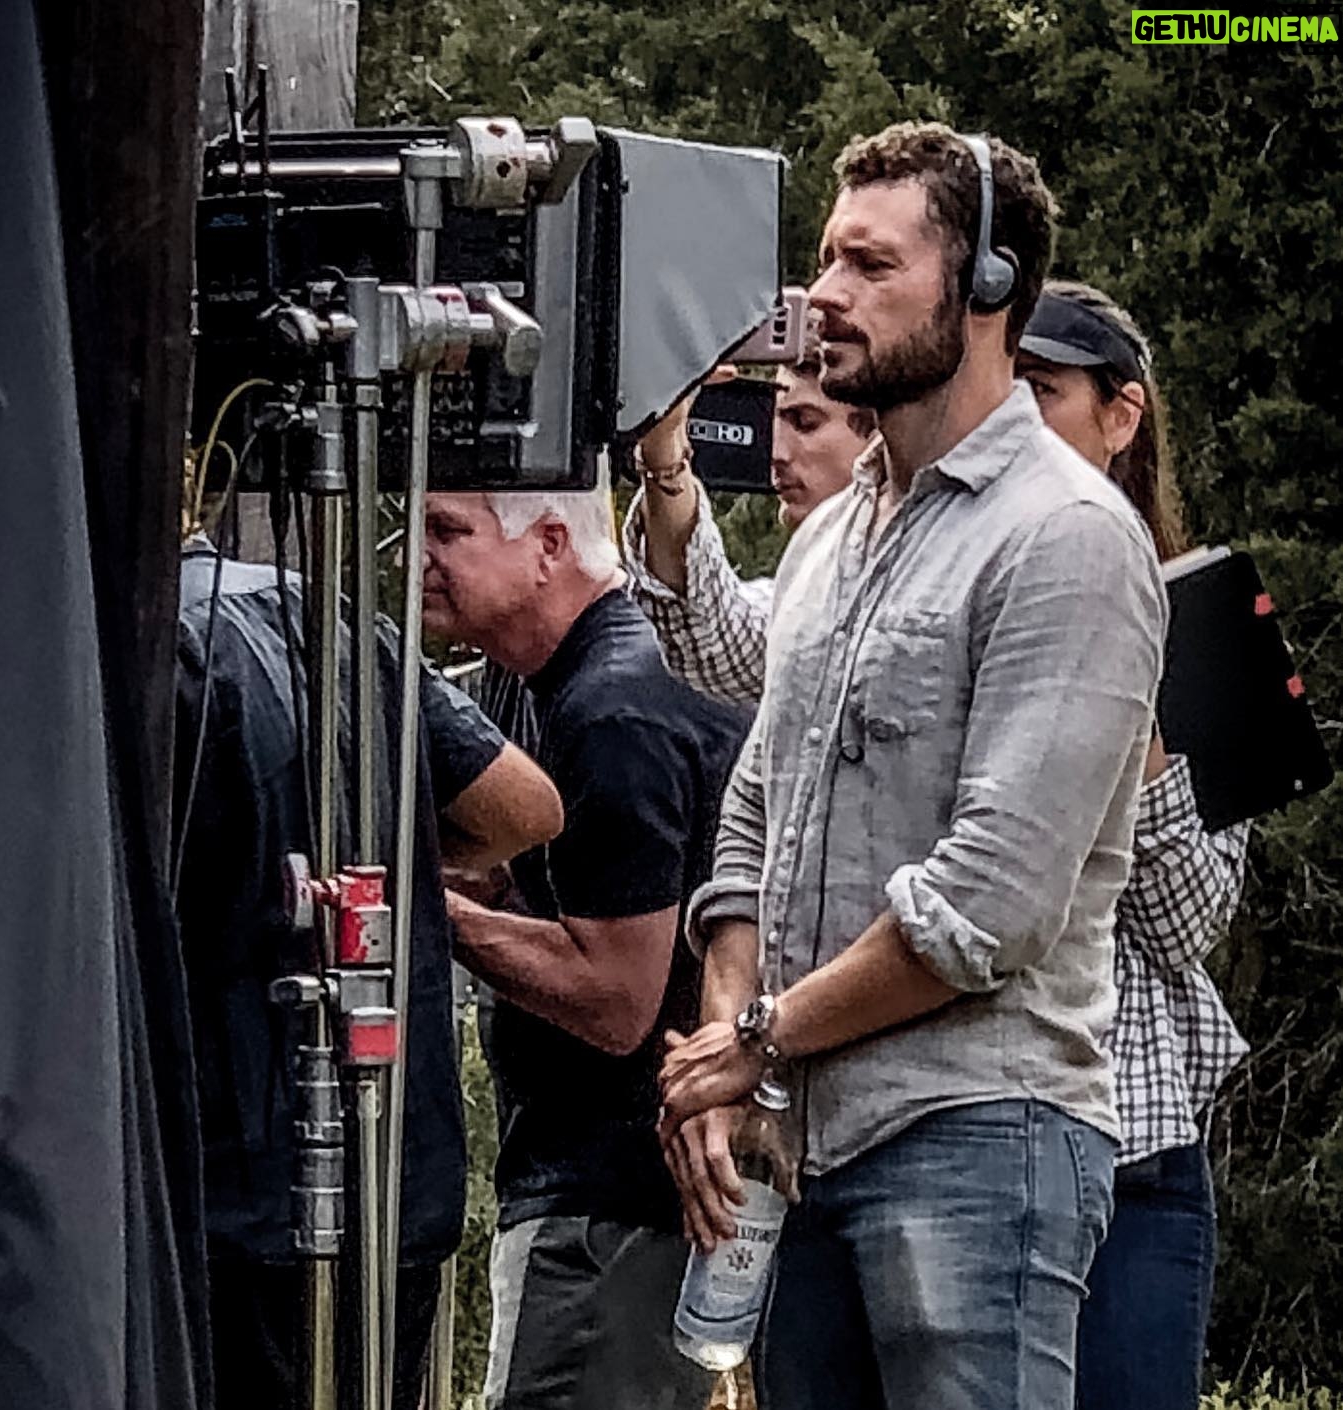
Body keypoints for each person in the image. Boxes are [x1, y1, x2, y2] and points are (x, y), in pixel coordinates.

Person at [658, 122, 1166, 1410]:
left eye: (872, 265)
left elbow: (988, 905)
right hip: (805, 1148)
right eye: (828, 257)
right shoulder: (831, 538)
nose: (824, 293)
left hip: (982, 1138)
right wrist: (726, 1045)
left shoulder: (1068, 536)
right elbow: (754, 817)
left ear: (989, 287)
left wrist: (755, 1039)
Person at [174, 531, 562, 1410]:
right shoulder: (333, 619)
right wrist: (403, 854)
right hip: (394, 1188)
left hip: (234, 1199)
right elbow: (522, 809)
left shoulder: (151, 650)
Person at [420, 488, 749, 1410]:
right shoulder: (539, 682)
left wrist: (425, 911)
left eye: (450, 530)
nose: (420, 556)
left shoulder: (614, 710)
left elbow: (616, 1000)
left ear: (550, 544)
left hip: (614, 1215)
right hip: (603, 1201)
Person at [1017, 280, 1250, 1410]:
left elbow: (1190, 923)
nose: (1016, 415)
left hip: (1139, 1147)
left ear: (1123, 415)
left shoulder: (1202, 625)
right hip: (985, 1138)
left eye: (1044, 390)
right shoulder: (962, 585)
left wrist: (1142, 733)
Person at [622, 348, 874, 704]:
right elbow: (713, 635)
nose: (776, 453)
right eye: (770, 422)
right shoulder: (811, 595)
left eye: (805, 422)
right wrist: (664, 446)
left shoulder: (933, 567)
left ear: (879, 435)